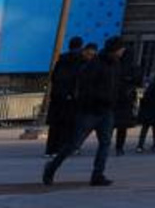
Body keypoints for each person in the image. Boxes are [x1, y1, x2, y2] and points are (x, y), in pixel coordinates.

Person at [44, 36, 124, 187]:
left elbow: (115, 86)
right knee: (74, 143)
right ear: (115, 49)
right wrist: (98, 98)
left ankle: (97, 174)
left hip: (107, 110)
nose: (122, 51)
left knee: (105, 143)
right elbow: (86, 86)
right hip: (90, 110)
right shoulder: (96, 64)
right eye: (121, 48)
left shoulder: (116, 65)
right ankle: (52, 167)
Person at [46, 35, 87, 157]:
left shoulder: (61, 60)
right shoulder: (80, 61)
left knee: (55, 126)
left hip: (57, 98)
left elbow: (54, 78)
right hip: (72, 98)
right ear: (81, 47)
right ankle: (64, 148)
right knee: (69, 125)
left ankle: (50, 149)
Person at [113, 42, 141, 153]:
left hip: (114, 96)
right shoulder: (134, 67)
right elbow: (139, 81)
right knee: (122, 126)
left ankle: (104, 145)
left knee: (110, 123)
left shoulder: (116, 64)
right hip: (127, 98)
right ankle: (119, 147)